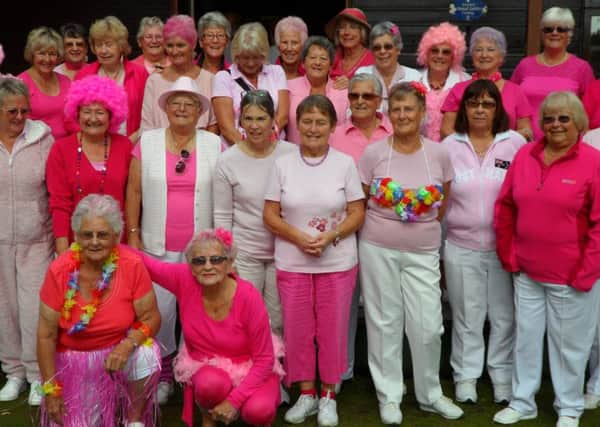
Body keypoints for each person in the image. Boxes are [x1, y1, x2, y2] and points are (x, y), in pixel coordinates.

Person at [357, 82, 463, 424]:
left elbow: (442, 203)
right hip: (378, 247)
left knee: (428, 325)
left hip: (423, 249)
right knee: (385, 321)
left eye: (409, 109)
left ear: (422, 115)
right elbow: (360, 202)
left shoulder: (439, 153)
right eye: (397, 109)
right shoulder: (374, 153)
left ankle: (430, 393)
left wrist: (418, 226)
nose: (402, 115)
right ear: (389, 114)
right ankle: (389, 394)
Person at [493, 91, 600, 427]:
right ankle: (523, 401)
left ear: (579, 123)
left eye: (564, 118)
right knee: (525, 340)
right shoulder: (525, 155)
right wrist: (510, 255)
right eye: (550, 118)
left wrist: (585, 273)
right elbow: (506, 206)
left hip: (572, 277)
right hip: (527, 271)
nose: (555, 124)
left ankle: (569, 407)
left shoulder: (593, 162)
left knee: (570, 346)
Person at [263, 94, 365, 426]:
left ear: (332, 127)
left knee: (333, 328)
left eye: (321, 121)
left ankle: (329, 396)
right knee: (298, 328)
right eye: (306, 121)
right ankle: (306, 393)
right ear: (297, 125)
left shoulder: (345, 164)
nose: (313, 127)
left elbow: (356, 211)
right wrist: (298, 237)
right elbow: (270, 214)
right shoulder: (282, 164)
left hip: (336, 260)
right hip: (293, 260)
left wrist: (331, 235)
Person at [126, 76, 221, 404]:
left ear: (199, 111)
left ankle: (192, 372)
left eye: (189, 103)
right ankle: (164, 373)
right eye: (175, 102)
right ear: (165, 108)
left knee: (198, 313)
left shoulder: (213, 144)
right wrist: (133, 234)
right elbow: (134, 190)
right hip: (156, 244)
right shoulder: (147, 142)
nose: (182, 108)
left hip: (202, 248)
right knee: (161, 313)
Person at [136, 228, 283, 427]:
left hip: (252, 365)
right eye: (199, 261)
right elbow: (147, 264)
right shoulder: (184, 279)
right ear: (190, 265)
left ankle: (242, 409)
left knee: (259, 411)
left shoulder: (248, 297)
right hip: (207, 366)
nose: (207, 267)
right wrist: (106, 239)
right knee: (208, 386)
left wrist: (233, 401)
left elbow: (265, 360)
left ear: (230, 263)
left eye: (216, 259)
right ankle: (209, 419)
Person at [37, 194, 161, 427]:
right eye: (87, 235)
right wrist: (51, 390)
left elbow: (151, 317)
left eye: (102, 235)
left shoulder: (131, 264)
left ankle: (133, 420)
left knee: (147, 354)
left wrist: (127, 344)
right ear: (76, 236)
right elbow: (46, 335)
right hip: (75, 363)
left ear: (116, 236)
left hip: (118, 354)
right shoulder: (59, 271)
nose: (94, 242)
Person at [441, 79, 526, 406]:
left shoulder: (515, 143)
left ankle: (502, 376)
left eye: (487, 104)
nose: (479, 109)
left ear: (497, 109)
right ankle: (466, 376)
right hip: (460, 246)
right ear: (463, 108)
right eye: (473, 103)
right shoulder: (449, 146)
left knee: (504, 316)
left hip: (503, 248)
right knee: (467, 315)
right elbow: (442, 203)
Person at [213, 90, 295, 334]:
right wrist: (227, 258)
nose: (255, 126)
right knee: (245, 316)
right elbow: (222, 216)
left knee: (278, 319)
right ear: (240, 121)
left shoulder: (291, 154)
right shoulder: (228, 160)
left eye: (261, 118)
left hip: (285, 252)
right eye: (249, 119)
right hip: (245, 253)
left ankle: (275, 368)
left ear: (273, 120)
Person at [0, 77, 54, 406]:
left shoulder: (42, 138)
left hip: (37, 238)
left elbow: (55, 188)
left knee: (34, 308)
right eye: (11, 112)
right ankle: (14, 373)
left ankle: (37, 375)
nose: (20, 117)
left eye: (24, 111)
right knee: (4, 308)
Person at [46, 75, 130, 255]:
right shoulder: (61, 149)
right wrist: (62, 250)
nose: (93, 118)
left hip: (117, 242)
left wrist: (132, 238)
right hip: (77, 243)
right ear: (76, 113)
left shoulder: (125, 147)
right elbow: (59, 204)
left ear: (111, 115)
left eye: (100, 112)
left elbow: (133, 199)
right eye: (86, 111)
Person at [511, 7, 594, 141]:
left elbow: (588, 111)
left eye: (561, 29)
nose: (554, 33)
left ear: (569, 34)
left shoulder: (582, 68)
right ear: (542, 34)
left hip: (566, 144)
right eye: (548, 29)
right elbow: (511, 100)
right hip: (526, 143)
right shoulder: (525, 65)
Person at [441, 27, 533, 141]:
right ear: (472, 55)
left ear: (501, 57)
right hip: (466, 155)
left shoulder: (516, 91)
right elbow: (446, 130)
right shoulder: (459, 89)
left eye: (490, 49)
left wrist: (497, 143)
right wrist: (474, 146)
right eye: (479, 49)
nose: (484, 55)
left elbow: (526, 131)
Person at [212, 22, 289, 146]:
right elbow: (227, 128)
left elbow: (283, 116)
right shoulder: (224, 78)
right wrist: (250, 151)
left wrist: (267, 145)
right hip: (237, 150)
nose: (251, 63)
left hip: (273, 149)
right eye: (245, 57)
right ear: (236, 55)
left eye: (256, 57)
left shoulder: (276, 72)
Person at [76, 16, 148, 142]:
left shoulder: (140, 74)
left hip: (131, 143)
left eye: (109, 44)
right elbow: (71, 117)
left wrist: (129, 142)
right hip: (93, 145)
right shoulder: (84, 75)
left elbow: (149, 117)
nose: (103, 51)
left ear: (121, 46)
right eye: (99, 45)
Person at [141, 15, 217, 134]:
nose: (174, 51)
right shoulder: (154, 81)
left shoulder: (209, 79)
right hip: (160, 149)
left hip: (200, 149)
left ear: (193, 45)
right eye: (170, 45)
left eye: (180, 45)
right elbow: (146, 127)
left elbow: (214, 124)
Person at [286, 36, 348, 144]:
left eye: (323, 58)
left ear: (330, 66)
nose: (318, 62)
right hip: (294, 154)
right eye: (313, 57)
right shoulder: (288, 88)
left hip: (334, 154)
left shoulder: (343, 91)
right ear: (303, 63)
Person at [416, 22, 470, 141]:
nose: (439, 56)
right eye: (434, 51)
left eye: (446, 52)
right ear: (426, 53)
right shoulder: (414, 80)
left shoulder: (465, 82)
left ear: (454, 56)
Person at [356, 21, 421, 113]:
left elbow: (421, 115)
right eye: (377, 48)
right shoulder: (362, 74)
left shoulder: (414, 77)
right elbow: (353, 110)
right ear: (372, 52)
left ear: (398, 49)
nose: (382, 51)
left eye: (388, 47)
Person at [18, 26, 71, 139]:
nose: (47, 59)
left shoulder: (66, 81)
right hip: (35, 148)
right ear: (32, 54)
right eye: (42, 53)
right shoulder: (20, 84)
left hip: (65, 147)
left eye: (52, 54)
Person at [325, 7, 375, 90]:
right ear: (338, 32)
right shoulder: (330, 56)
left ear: (362, 32)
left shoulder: (373, 59)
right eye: (342, 27)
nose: (347, 32)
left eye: (353, 27)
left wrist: (353, 84)